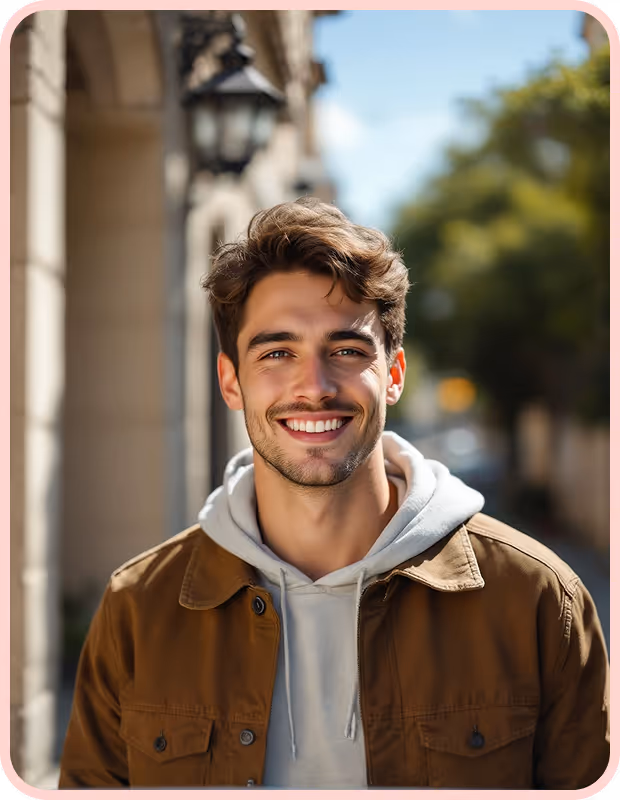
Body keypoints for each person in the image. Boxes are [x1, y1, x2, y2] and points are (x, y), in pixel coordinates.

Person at [59, 197, 609, 789]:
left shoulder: (536, 599)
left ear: (393, 375)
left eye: (346, 351)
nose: (314, 387)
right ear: (230, 381)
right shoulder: (139, 608)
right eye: (277, 353)